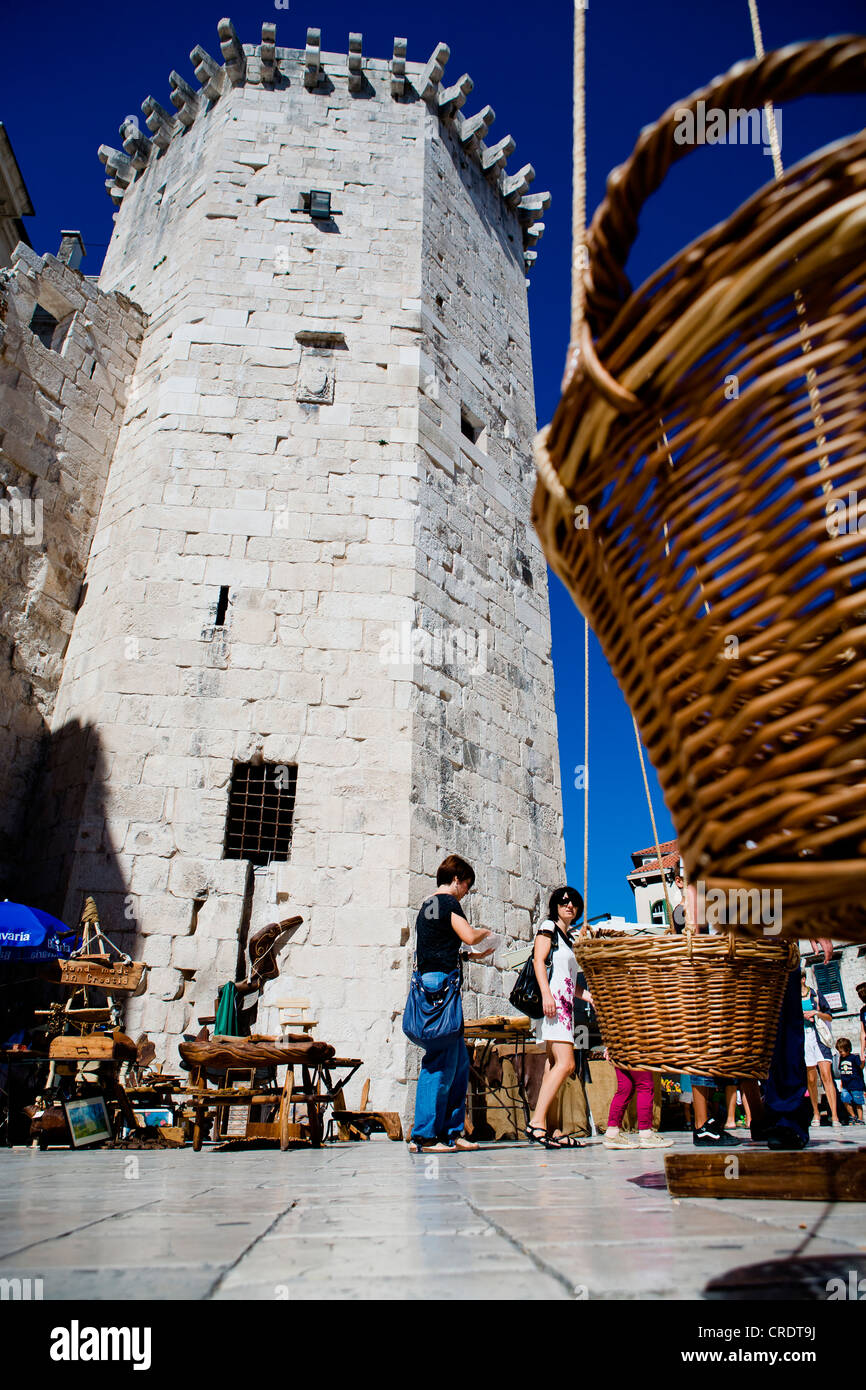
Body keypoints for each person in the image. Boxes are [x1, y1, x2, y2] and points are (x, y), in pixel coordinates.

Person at [408, 854, 493, 1155]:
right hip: (442, 989)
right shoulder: (449, 903)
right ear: (457, 880)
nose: (466, 892)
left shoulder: (427, 905)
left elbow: (437, 946)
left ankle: (451, 1131)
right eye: (466, 886)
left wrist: (471, 957)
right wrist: (484, 934)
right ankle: (425, 1136)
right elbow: (468, 935)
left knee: (458, 1064)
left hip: (433, 982)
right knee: (439, 1062)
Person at [524, 886, 586, 1149]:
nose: (568, 905)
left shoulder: (569, 938)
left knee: (553, 1065)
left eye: (573, 902)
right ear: (555, 905)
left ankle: (553, 1129)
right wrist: (547, 995)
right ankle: (537, 1123)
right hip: (553, 1006)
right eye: (563, 901)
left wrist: (591, 997)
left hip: (565, 1006)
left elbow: (571, 981)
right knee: (566, 1064)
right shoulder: (548, 926)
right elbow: (539, 961)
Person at [801, 971, 841, 1128]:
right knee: (811, 1079)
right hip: (804, 1037)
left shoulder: (815, 994)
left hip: (820, 1037)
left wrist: (815, 1013)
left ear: (803, 979)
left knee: (826, 1076)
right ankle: (816, 1113)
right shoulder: (792, 998)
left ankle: (835, 1116)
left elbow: (829, 1016)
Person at [835, 1038, 865, 1124]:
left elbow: (861, 1067)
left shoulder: (854, 1058)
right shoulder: (841, 1058)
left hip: (856, 1084)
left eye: (841, 1051)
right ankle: (853, 1116)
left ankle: (860, 1118)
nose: (840, 1053)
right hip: (846, 1085)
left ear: (847, 1049)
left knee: (858, 1102)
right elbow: (841, 1071)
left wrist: (863, 1062)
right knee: (844, 1099)